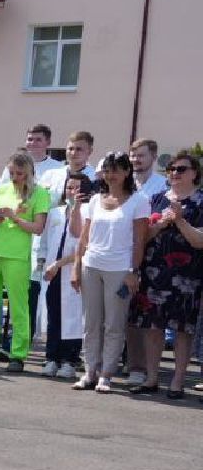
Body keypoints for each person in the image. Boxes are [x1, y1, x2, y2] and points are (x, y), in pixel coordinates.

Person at [72, 151, 149, 392]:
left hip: (119, 269)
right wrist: (76, 267)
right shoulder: (95, 200)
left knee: (114, 324)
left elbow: (139, 241)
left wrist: (132, 271)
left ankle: (106, 374)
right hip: (91, 265)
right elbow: (84, 238)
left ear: (127, 172)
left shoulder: (139, 200)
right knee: (91, 323)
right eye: (107, 169)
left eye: (116, 169)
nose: (110, 174)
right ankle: (90, 372)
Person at [129, 154, 203, 397]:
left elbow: (199, 241)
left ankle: (177, 381)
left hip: (187, 275)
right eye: (171, 169)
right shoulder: (156, 199)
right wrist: (160, 224)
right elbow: (141, 237)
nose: (174, 173)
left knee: (183, 329)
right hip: (155, 271)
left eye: (181, 169)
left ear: (194, 173)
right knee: (153, 326)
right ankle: (151, 378)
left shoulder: (201, 201)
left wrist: (180, 221)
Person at [0, 152, 51, 370]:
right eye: (12, 172)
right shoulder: (3, 188)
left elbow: (38, 228)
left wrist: (14, 218)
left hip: (17, 255)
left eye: (20, 173)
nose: (15, 177)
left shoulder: (40, 193)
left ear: (29, 173)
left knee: (18, 306)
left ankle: (17, 354)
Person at [37, 171, 88, 379]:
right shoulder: (55, 212)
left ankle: (69, 360)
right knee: (54, 315)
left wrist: (60, 263)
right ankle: (52, 358)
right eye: (69, 187)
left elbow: (82, 245)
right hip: (52, 272)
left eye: (77, 188)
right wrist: (43, 262)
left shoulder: (87, 213)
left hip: (74, 270)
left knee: (73, 317)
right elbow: (45, 242)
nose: (72, 191)